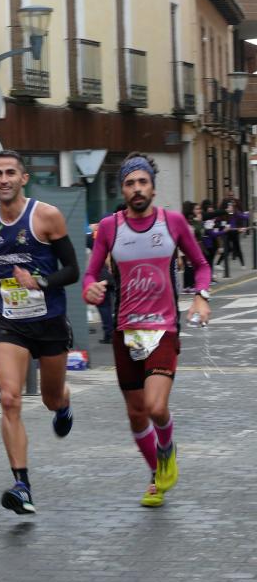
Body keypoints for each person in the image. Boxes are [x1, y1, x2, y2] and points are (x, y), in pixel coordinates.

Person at [83, 152, 211, 508]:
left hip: (163, 328)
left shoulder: (172, 223)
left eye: (142, 182)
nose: (137, 189)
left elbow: (201, 265)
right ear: (122, 189)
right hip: (126, 330)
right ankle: (157, 475)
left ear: (153, 187)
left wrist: (201, 297)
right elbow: (91, 274)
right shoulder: (109, 227)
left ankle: (167, 451)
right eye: (129, 183)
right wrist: (90, 288)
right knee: (136, 413)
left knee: (156, 407)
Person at [0, 150, 80, 516]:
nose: (4, 179)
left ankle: (64, 402)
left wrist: (40, 281)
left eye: (11, 172)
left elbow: (73, 269)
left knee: (49, 399)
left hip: (50, 322)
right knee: (9, 399)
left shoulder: (46, 216)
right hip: (11, 323)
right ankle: (22, 486)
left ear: (23, 178)